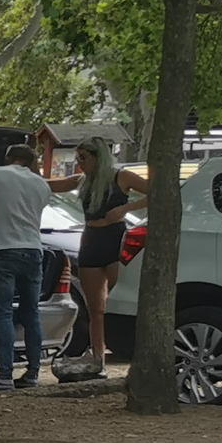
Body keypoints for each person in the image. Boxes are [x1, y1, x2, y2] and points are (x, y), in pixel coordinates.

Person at [0, 144, 53, 390]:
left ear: (9, 158)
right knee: (31, 312)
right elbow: (25, 215)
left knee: (3, 312)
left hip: (4, 250)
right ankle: (33, 373)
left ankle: (5, 375)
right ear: (30, 161)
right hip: (34, 251)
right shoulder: (42, 185)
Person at [62, 142, 147, 377]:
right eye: (77, 159)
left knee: (119, 299)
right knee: (94, 307)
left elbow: (157, 192)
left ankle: (131, 353)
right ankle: (98, 358)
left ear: (98, 157)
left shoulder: (122, 177)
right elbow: (52, 185)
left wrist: (125, 208)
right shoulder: (82, 180)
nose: (80, 163)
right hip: (90, 239)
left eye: (83, 158)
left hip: (115, 238)